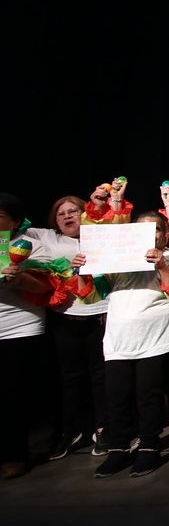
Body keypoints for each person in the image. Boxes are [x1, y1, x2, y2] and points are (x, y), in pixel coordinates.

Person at [80, 205, 169, 478]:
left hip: (155, 332)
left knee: (148, 393)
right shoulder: (117, 258)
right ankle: (118, 448)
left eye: (156, 229)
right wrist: (84, 269)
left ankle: (149, 446)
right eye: (144, 230)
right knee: (117, 394)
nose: (151, 235)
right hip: (119, 333)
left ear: (165, 234)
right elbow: (95, 293)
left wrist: (162, 264)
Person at [28, 197, 109, 460]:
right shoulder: (47, 237)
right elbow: (8, 231)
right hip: (65, 319)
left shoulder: (101, 234)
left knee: (102, 377)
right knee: (70, 379)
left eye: (73, 210)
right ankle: (69, 431)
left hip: (102, 316)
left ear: (85, 212)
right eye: (60, 213)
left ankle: (103, 429)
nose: (67, 216)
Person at [0, 193, 59, 479]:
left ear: (14, 221)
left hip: (19, 327)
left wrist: (20, 278)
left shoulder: (31, 247)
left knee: (13, 395)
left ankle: (14, 455)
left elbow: (47, 289)